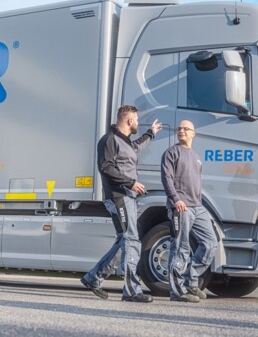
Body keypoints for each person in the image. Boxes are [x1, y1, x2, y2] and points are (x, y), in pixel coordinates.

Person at [81, 105, 162, 303]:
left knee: (123, 240)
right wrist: (131, 183)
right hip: (118, 196)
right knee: (132, 239)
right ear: (129, 120)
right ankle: (131, 290)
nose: (137, 123)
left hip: (127, 196)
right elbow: (105, 167)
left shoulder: (124, 142)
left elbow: (135, 148)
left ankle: (93, 277)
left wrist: (150, 133)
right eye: (136, 119)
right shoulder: (109, 140)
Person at [161, 120, 217, 303]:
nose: (181, 131)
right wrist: (176, 199)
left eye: (186, 129)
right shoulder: (171, 153)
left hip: (197, 207)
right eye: (179, 128)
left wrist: (199, 204)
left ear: (194, 133)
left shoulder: (197, 157)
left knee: (210, 243)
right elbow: (167, 178)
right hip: (181, 206)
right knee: (180, 247)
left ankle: (191, 281)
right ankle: (177, 292)